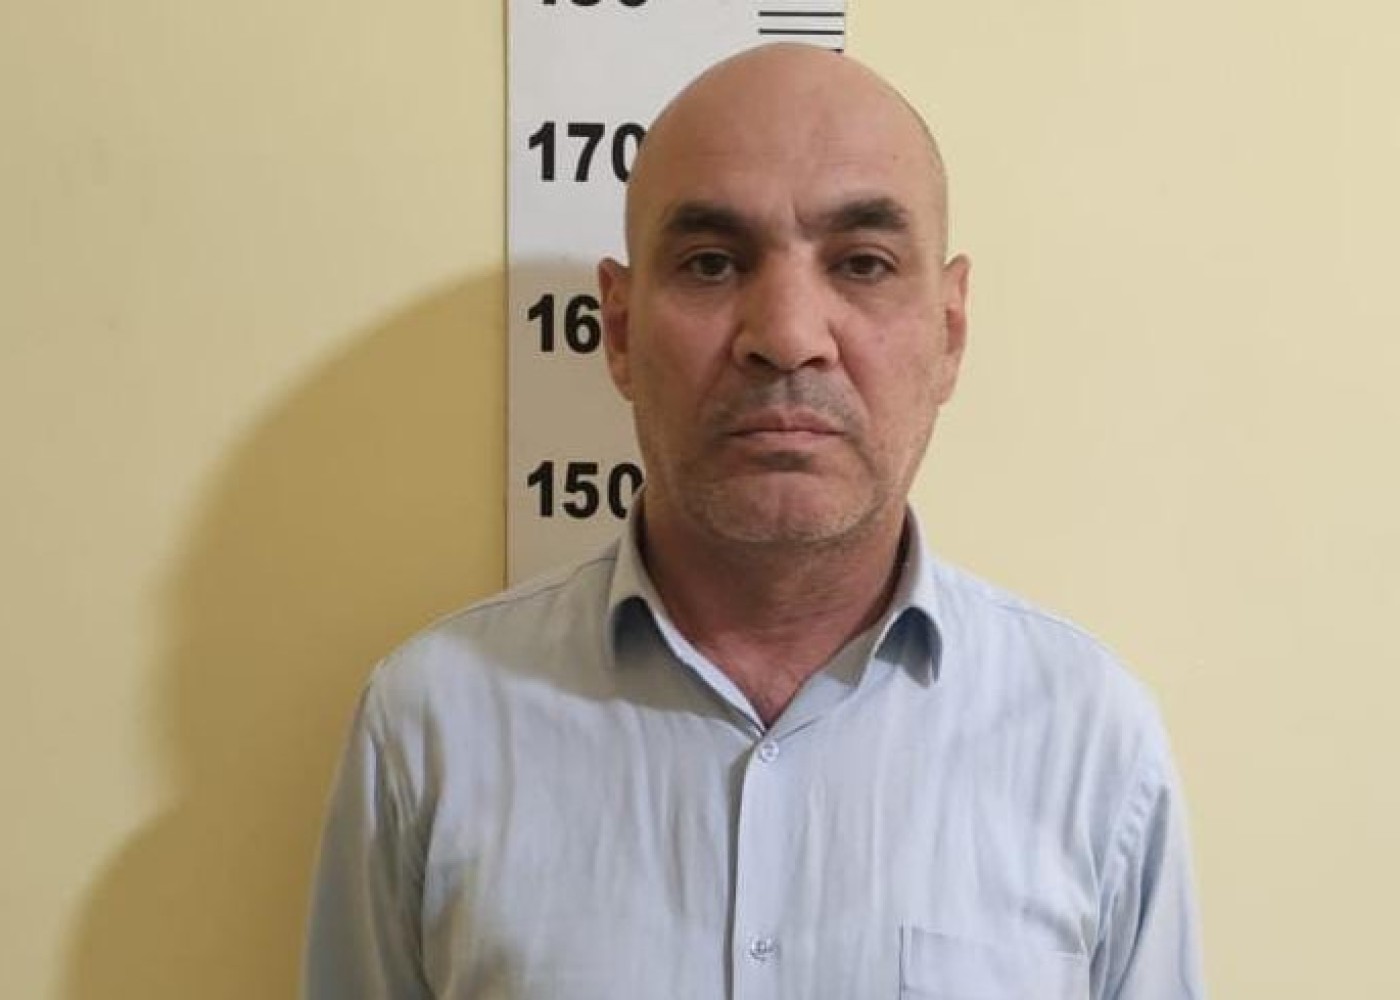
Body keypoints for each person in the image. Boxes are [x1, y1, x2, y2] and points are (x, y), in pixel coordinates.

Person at [304, 43, 1205, 1000]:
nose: (786, 335)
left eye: (862, 264)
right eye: (711, 264)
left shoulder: (1090, 745)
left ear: (949, 331)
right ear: (618, 329)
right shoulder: (430, 728)